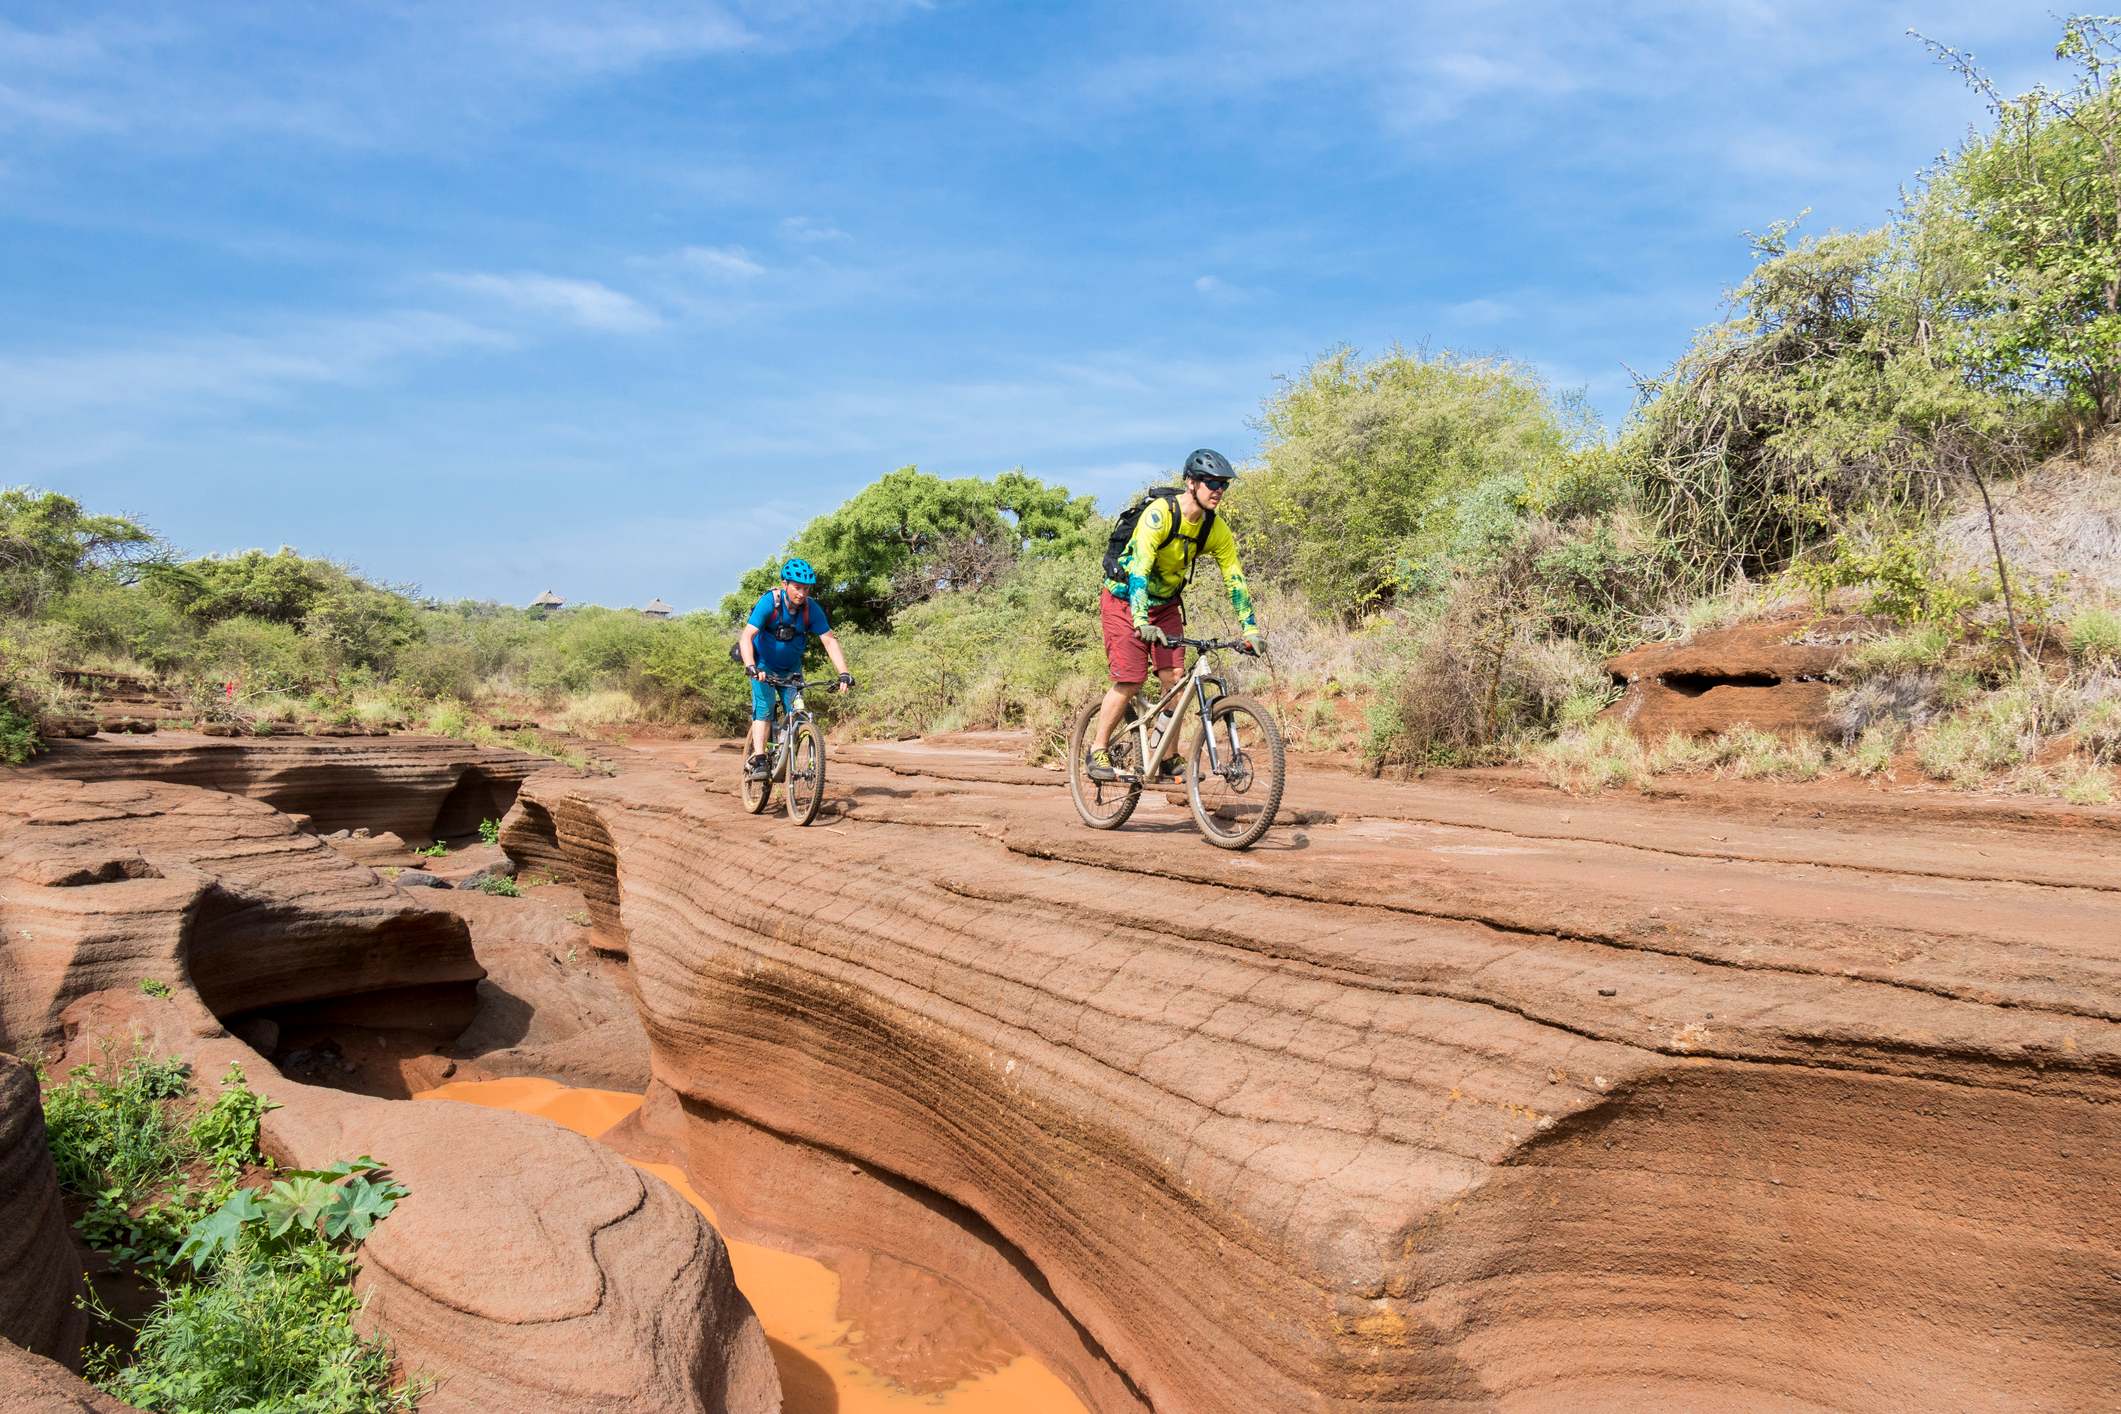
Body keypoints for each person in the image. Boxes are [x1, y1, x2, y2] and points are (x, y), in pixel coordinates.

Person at [1087, 449, 1262, 782]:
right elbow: (1139, 569)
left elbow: (1233, 576)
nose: (1218, 490)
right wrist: (1140, 620)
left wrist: (1250, 628)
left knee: (1176, 680)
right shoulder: (1160, 515)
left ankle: (1166, 757)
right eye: (1211, 482)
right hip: (1124, 600)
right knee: (1130, 679)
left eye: (1223, 484)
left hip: (1165, 604)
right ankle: (1097, 749)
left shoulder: (1214, 528)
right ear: (1191, 483)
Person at [738, 557, 852, 779]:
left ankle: (784, 754)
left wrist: (843, 673)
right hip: (762, 667)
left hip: (792, 671)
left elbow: (828, 640)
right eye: (797, 587)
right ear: (785, 584)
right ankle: (760, 758)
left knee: (797, 712)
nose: (802, 593)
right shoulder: (770, 603)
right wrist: (751, 666)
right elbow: (747, 637)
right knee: (764, 709)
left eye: (806, 588)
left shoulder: (811, 609)